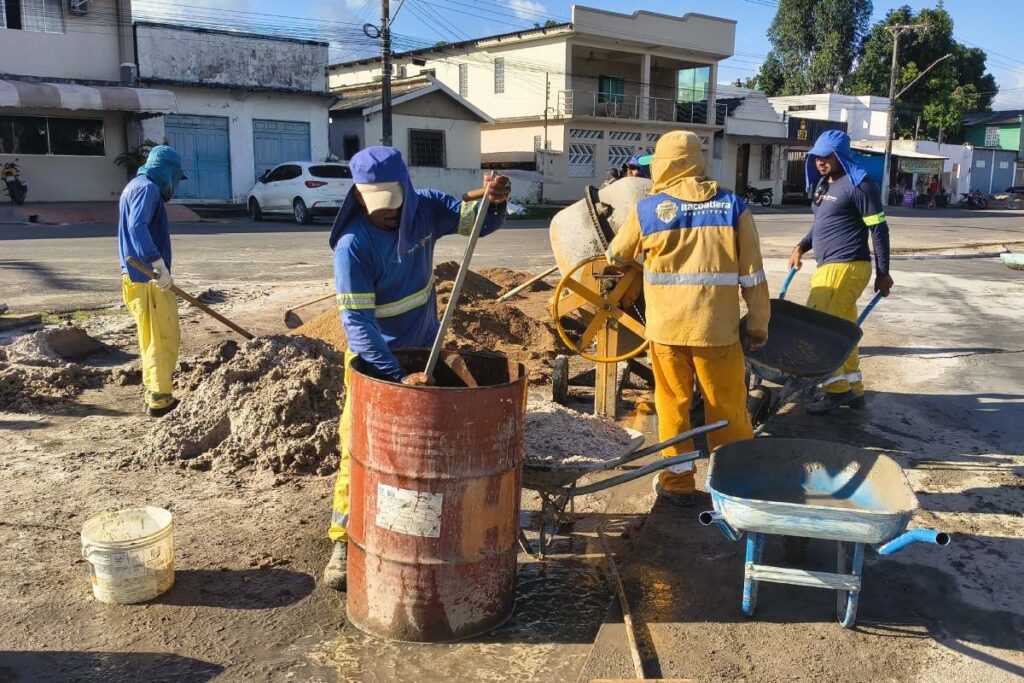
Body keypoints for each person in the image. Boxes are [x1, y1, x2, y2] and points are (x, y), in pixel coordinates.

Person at [323, 146, 511, 590]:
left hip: (426, 350)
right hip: (377, 361)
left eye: (394, 207)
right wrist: (394, 376)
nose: (387, 217)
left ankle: (425, 525)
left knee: (427, 450)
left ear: (406, 190)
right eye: (377, 209)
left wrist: (494, 200)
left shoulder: (425, 207)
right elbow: (357, 322)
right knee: (360, 447)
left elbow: (475, 223)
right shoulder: (354, 246)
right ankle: (343, 538)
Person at [606, 131, 770, 507]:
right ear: (696, 162)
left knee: (673, 406)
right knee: (726, 406)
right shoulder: (733, 207)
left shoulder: (648, 210)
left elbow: (617, 254)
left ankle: (678, 482)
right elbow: (753, 275)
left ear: (664, 165)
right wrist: (758, 324)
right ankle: (734, 484)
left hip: (667, 332)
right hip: (718, 331)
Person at [788, 130, 893, 414]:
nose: (820, 161)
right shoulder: (824, 185)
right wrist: (801, 246)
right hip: (827, 266)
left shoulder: (859, 185)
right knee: (843, 332)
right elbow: (820, 225)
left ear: (841, 156)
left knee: (820, 329)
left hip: (848, 266)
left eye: (827, 156)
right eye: (817, 156)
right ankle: (853, 390)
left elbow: (879, 230)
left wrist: (883, 272)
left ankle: (836, 390)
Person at [117, 145, 188, 417]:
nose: (174, 185)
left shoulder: (133, 186)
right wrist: (156, 262)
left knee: (150, 337)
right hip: (148, 278)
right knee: (163, 336)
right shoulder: (147, 188)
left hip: (136, 278)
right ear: (168, 171)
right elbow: (137, 226)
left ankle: (154, 390)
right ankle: (160, 398)